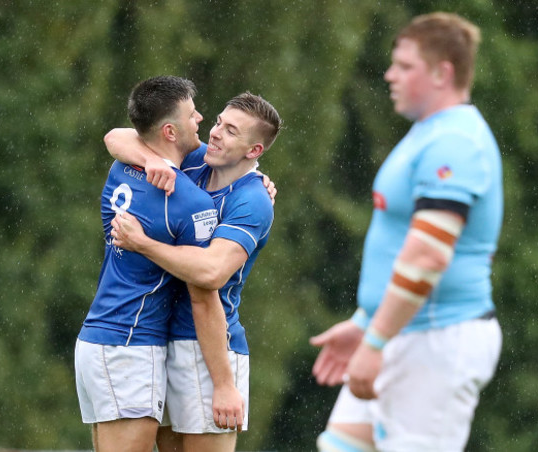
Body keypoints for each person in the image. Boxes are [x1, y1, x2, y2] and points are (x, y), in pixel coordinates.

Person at [311, 12, 503, 452]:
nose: (389, 74)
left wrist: (375, 340)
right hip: (397, 332)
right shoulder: (427, 133)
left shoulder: (456, 142)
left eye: (404, 66)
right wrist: (365, 323)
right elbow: (401, 242)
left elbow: (429, 255)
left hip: (438, 340)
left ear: (443, 72)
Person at [106, 91, 282, 452]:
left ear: (254, 152)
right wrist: (150, 160)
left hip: (211, 352)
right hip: (163, 340)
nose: (215, 132)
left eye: (231, 131)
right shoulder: (199, 160)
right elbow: (116, 137)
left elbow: (211, 273)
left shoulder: (252, 200)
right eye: (218, 122)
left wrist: (144, 244)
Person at [75, 75, 243, 452]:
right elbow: (203, 290)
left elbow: (117, 136)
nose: (200, 118)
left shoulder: (122, 166)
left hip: (104, 337)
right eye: (190, 114)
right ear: (169, 130)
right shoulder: (188, 202)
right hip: (129, 344)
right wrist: (224, 383)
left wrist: (256, 179)